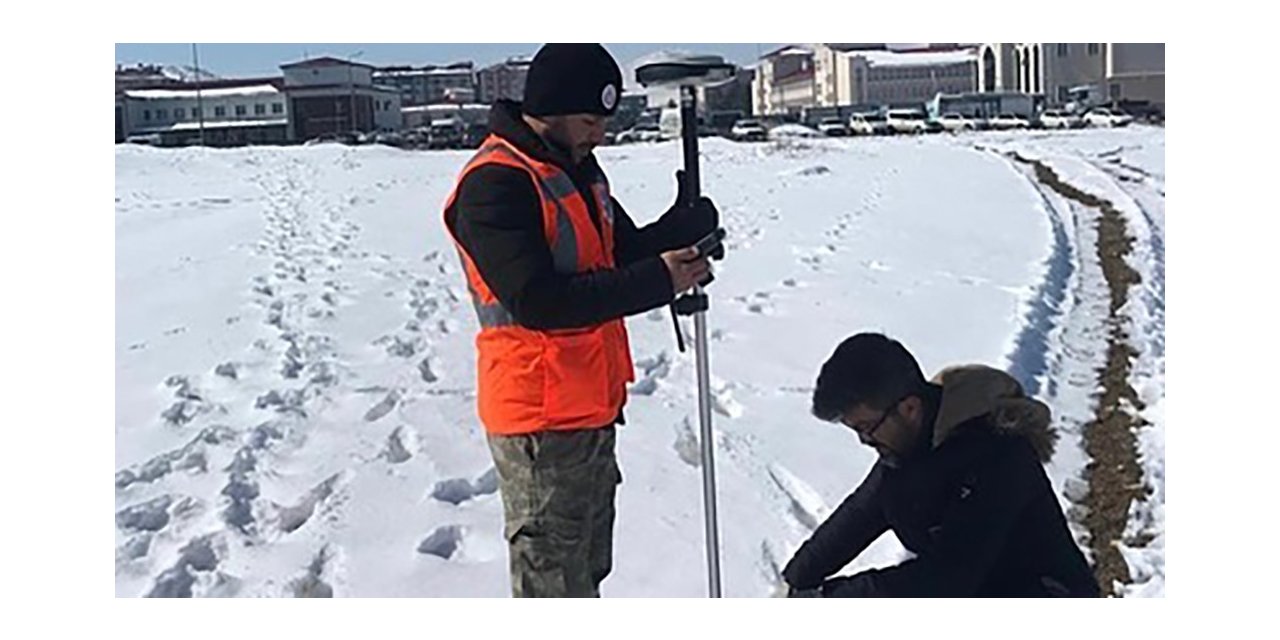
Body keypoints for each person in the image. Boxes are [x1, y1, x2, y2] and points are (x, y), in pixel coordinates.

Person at [441, 43, 720, 597]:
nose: (601, 134)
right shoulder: (496, 184)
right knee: (553, 590)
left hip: (589, 410)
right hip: (539, 423)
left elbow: (618, 253)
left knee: (582, 577)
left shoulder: (577, 172)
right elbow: (539, 301)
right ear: (552, 110)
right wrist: (660, 280)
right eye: (592, 121)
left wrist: (678, 230)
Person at [782, 333, 1100, 597]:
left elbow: (949, 577)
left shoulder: (998, 454)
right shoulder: (907, 447)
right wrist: (796, 580)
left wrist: (834, 599)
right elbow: (861, 514)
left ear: (909, 408)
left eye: (866, 427)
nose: (864, 440)